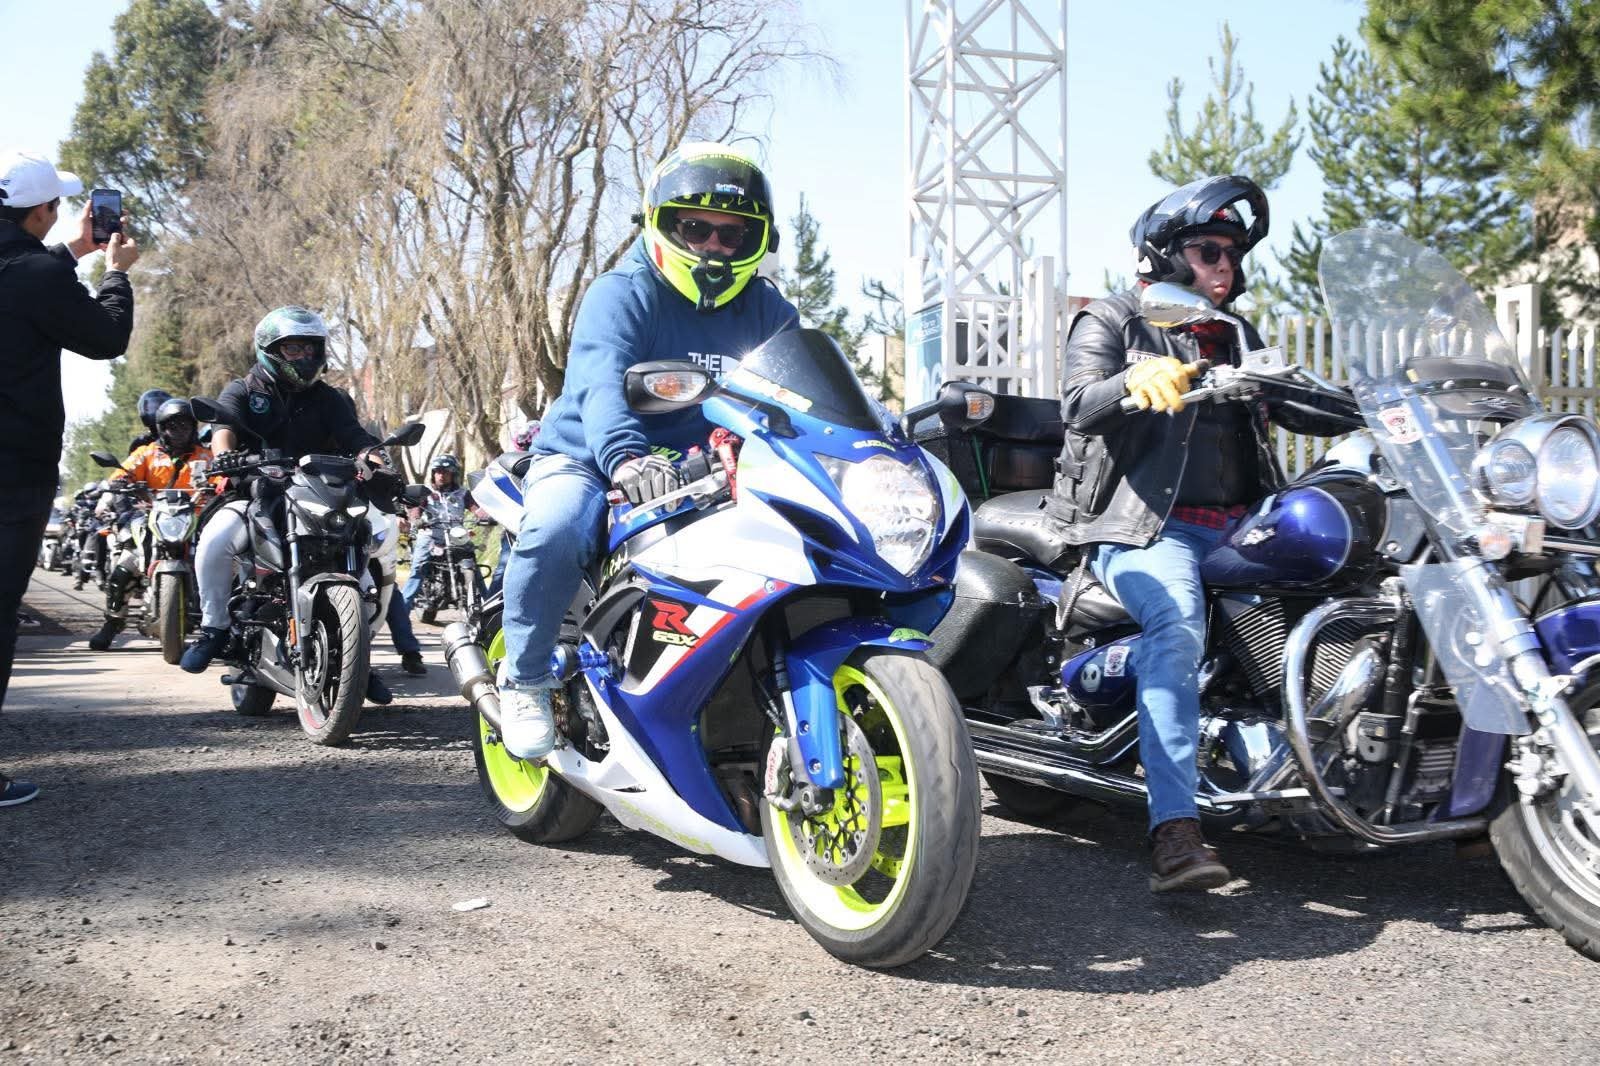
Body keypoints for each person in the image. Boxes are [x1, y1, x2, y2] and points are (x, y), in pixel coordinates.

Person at [1047, 175, 1348, 892]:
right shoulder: (1114, 318)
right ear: (1167, 255)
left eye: (1233, 255)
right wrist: (1135, 377)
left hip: (1241, 524)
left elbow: (1295, 402)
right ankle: (1175, 829)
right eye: (1209, 250)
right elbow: (1079, 405)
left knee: (1367, 581)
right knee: (1178, 625)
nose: (1225, 267)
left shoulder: (1236, 334)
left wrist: (1368, 405)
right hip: (1146, 528)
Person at [497, 141, 798, 759]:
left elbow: (808, 378)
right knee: (555, 527)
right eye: (697, 228)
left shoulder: (765, 306)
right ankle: (524, 679)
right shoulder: (622, 291)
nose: (715, 247)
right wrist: (628, 459)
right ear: (662, 224)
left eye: (733, 235)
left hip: (712, 463)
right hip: (593, 457)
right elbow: (601, 383)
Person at [0, 149, 139, 806]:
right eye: (54, 205)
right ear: (39, 213)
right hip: (13, 475)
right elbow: (105, 338)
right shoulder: (33, 274)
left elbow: (26, 278)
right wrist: (114, 272)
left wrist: (70, 252)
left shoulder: (31, 267)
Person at [178, 306, 397, 704]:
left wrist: (378, 461)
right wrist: (225, 456)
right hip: (257, 493)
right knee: (215, 539)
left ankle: (359, 658)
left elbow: (355, 436)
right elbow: (224, 429)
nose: (306, 357)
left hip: (319, 495)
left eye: (312, 348)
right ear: (270, 350)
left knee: (368, 570)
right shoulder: (243, 391)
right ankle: (214, 628)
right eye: (294, 349)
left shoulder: (330, 398)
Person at [87, 399, 213, 650]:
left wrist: (219, 483)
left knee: (227, 559)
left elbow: (219, 475)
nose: (178, 431)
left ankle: (224, 626)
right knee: (124, 567)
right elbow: (124, 472)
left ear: (193, 428)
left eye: (184, 425)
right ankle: (112, 623)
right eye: (172, 426)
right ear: (161, 428)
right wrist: (122, 481)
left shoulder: (204, 455)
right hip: (154, 516)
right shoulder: (147, 453)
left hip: (196, 518)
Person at [400, 454, 479, 613]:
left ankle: (485, 605)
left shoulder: (463, 493)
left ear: (453, 474)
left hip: (456, 535)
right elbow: (415, 508)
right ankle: (402, 610)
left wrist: (486, 515)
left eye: (446, 472)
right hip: (430, 534)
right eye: (438, 472)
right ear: (433, 473)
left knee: (474, 566)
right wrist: (416, 519)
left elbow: (476, 509)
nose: (441, 475)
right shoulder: (426, 492)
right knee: (419, 568)